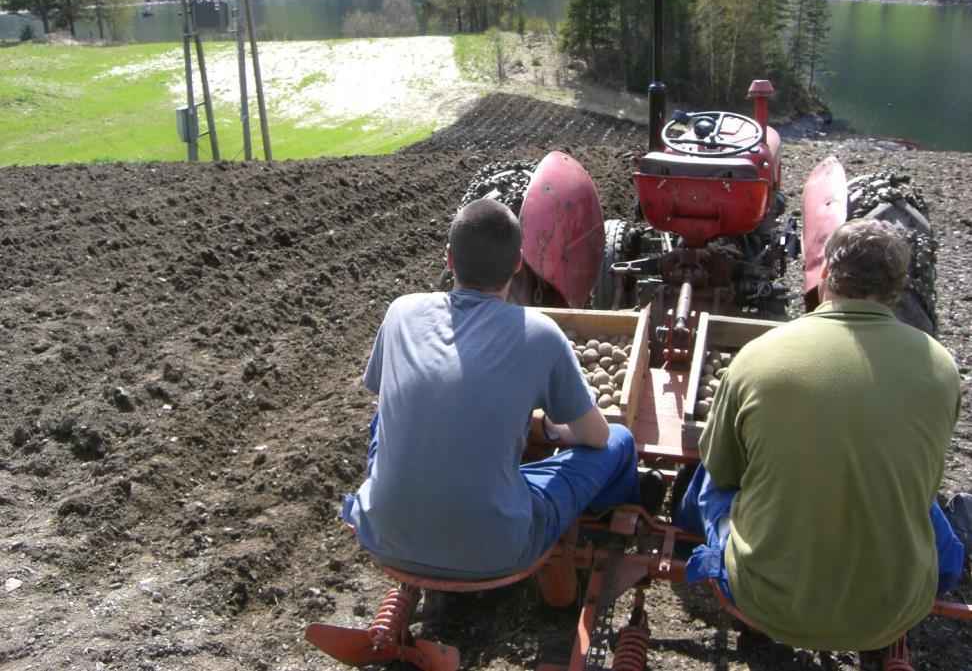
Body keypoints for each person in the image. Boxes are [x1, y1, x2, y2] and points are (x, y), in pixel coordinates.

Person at [676, 218, 966, 651]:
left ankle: (685, 543)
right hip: (896, 608)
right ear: (898, 289)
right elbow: (923, 477)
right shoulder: (942, 369)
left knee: (706, 480)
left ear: (826, 273)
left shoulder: (758, 356)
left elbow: (723, 469)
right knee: (923, 504)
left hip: (766, 603)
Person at [342, 199, 645, 580]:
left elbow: (390, 398)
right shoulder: (541, 334)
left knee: (383, 414)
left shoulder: (401, 311)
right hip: (500, 550)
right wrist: (552, 428)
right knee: (618, 441)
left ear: (449, 258)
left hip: (381, 534)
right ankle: (608, 522)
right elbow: (595, 437)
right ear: (520, 263)